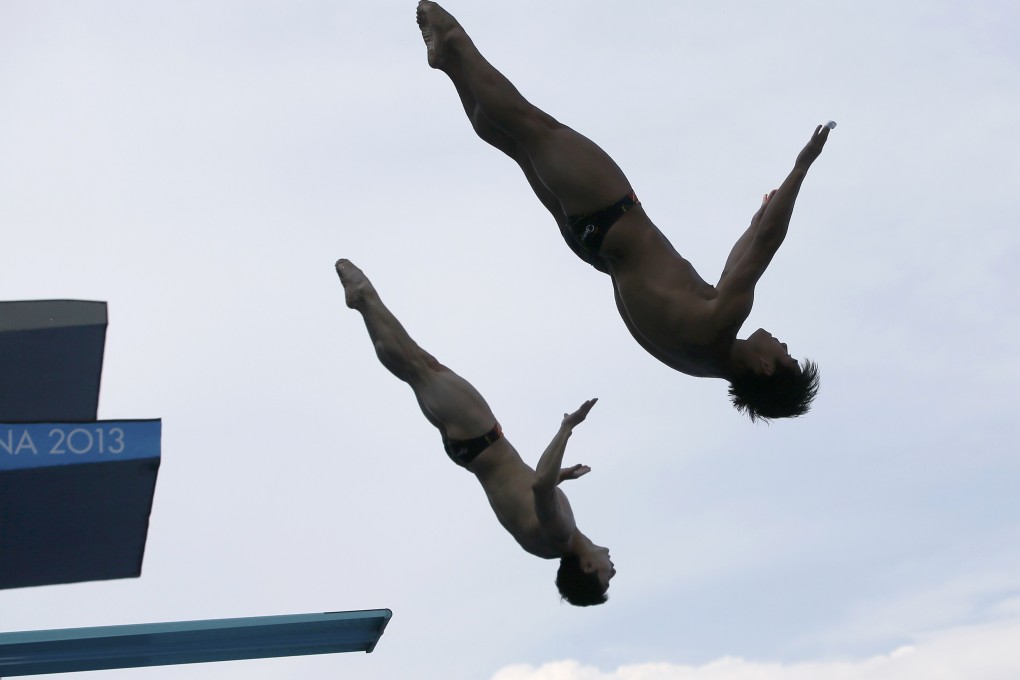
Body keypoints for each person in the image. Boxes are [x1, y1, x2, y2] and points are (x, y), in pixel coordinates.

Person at [416, 1, 831, 422]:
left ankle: (454, 41)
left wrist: (802, 167)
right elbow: (736, 265)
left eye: (786, 356)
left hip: (613, 215)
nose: (782, 345)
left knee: (531, 126)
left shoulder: (725, 318)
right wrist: (756, 218)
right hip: (590, 242)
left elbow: (766, 245)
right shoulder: (703, 357)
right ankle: (449, 63)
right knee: (515, 144)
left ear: (765, 368)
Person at [335, 259, 614, 605]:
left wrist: (567, 428)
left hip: (483, 440)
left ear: (586, 566)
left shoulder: (562, 533)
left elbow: (538, 484)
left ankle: (363, 299)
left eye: (605, 577)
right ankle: (365, 302)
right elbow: (525, 498)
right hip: (472, 451)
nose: (612, 570)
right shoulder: (549, 544)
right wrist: (563, 475)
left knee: (418, 368)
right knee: (421, 367)